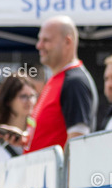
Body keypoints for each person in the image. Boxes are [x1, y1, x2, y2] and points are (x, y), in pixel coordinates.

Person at [24, 16, 97, 152]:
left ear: (67, 41)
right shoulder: (57, 79)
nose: (39, 45)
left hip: (54, 173)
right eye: (39, 40)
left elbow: (77, 142)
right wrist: (23, 139)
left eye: (46, 40)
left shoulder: (74, 82)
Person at [0, 73, 36, 164]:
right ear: (8, 101)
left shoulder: (37, 132)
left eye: (32, 96)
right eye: (23, 96)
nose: (30, 101)